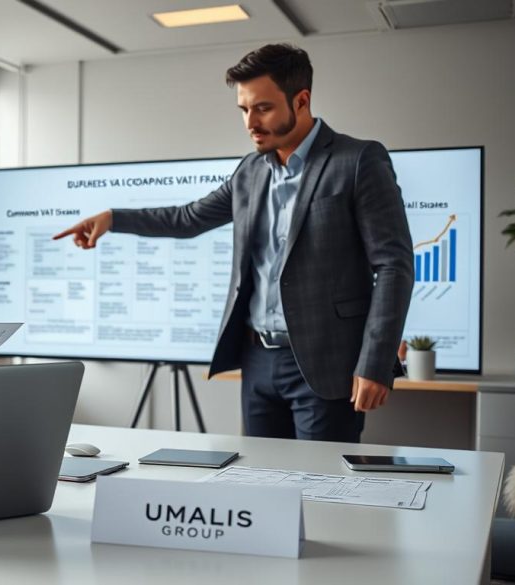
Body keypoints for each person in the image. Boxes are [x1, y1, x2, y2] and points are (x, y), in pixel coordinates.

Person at [54, 44, 413, 442]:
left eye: (262, 108)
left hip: (327, 363)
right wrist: (114, 219)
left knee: (319, 493)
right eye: (243, 110)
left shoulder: (358, 161)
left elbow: (393, 266)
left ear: (302, 100)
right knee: (259, 487)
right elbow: (188, 218)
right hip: (257, 361)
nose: (250, 123)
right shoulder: (250, 171)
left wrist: (376, 361)